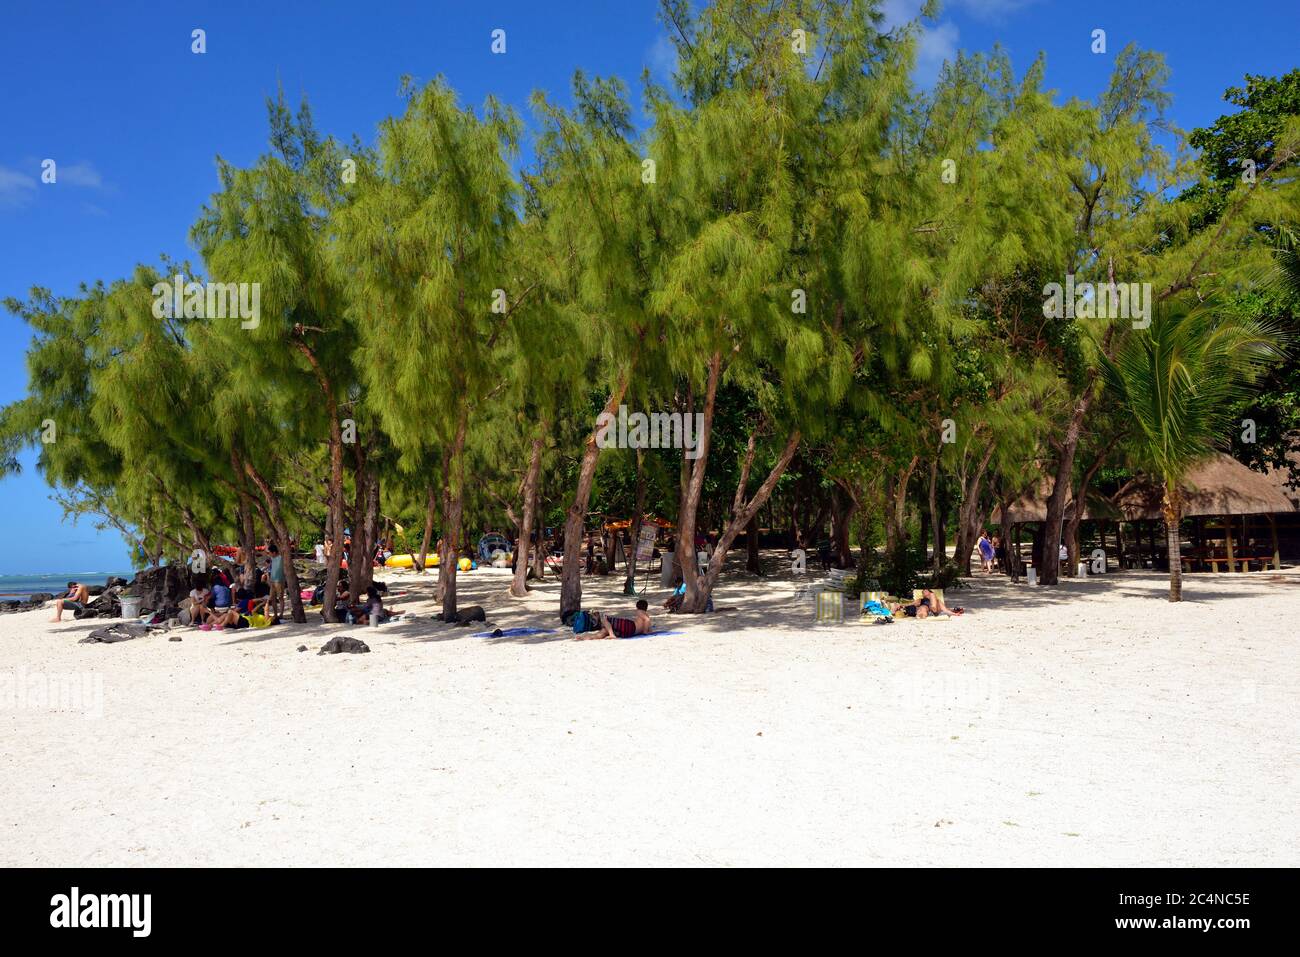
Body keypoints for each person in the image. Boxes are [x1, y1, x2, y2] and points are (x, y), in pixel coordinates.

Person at [578, 599, 652, 640]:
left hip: (631, 627)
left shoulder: (640, 612)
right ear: (646, 607)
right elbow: (648, 625)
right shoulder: (645, 615)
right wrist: (647, 631)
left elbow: (647, 620)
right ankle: (583, 638)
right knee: (602, 633)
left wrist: (645, 632)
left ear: (637, 607)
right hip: (631, 631)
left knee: (605, 619)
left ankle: (611, 634)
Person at [890, 588, 963, 618]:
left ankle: (927, 610)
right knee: (896, 605)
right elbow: (910, 604)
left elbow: (945, 610)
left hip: (931, 610)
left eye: (926, 591)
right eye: (923, 592)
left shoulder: (937, 600)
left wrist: (954, 614)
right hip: (917, 610)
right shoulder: (921, 600)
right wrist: (901, 605)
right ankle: (895, 610)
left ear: (930, 591)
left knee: (924, 608)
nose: (924, 592)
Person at [268, 544, 286, 619]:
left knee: (280, 597)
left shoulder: (281, 558)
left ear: (274, 552)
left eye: (270, 553)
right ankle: (275, 614)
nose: (269, 554)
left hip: (279, 581)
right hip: (272, 581)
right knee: (272, 598)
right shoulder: (272, 558)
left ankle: (281, 614)